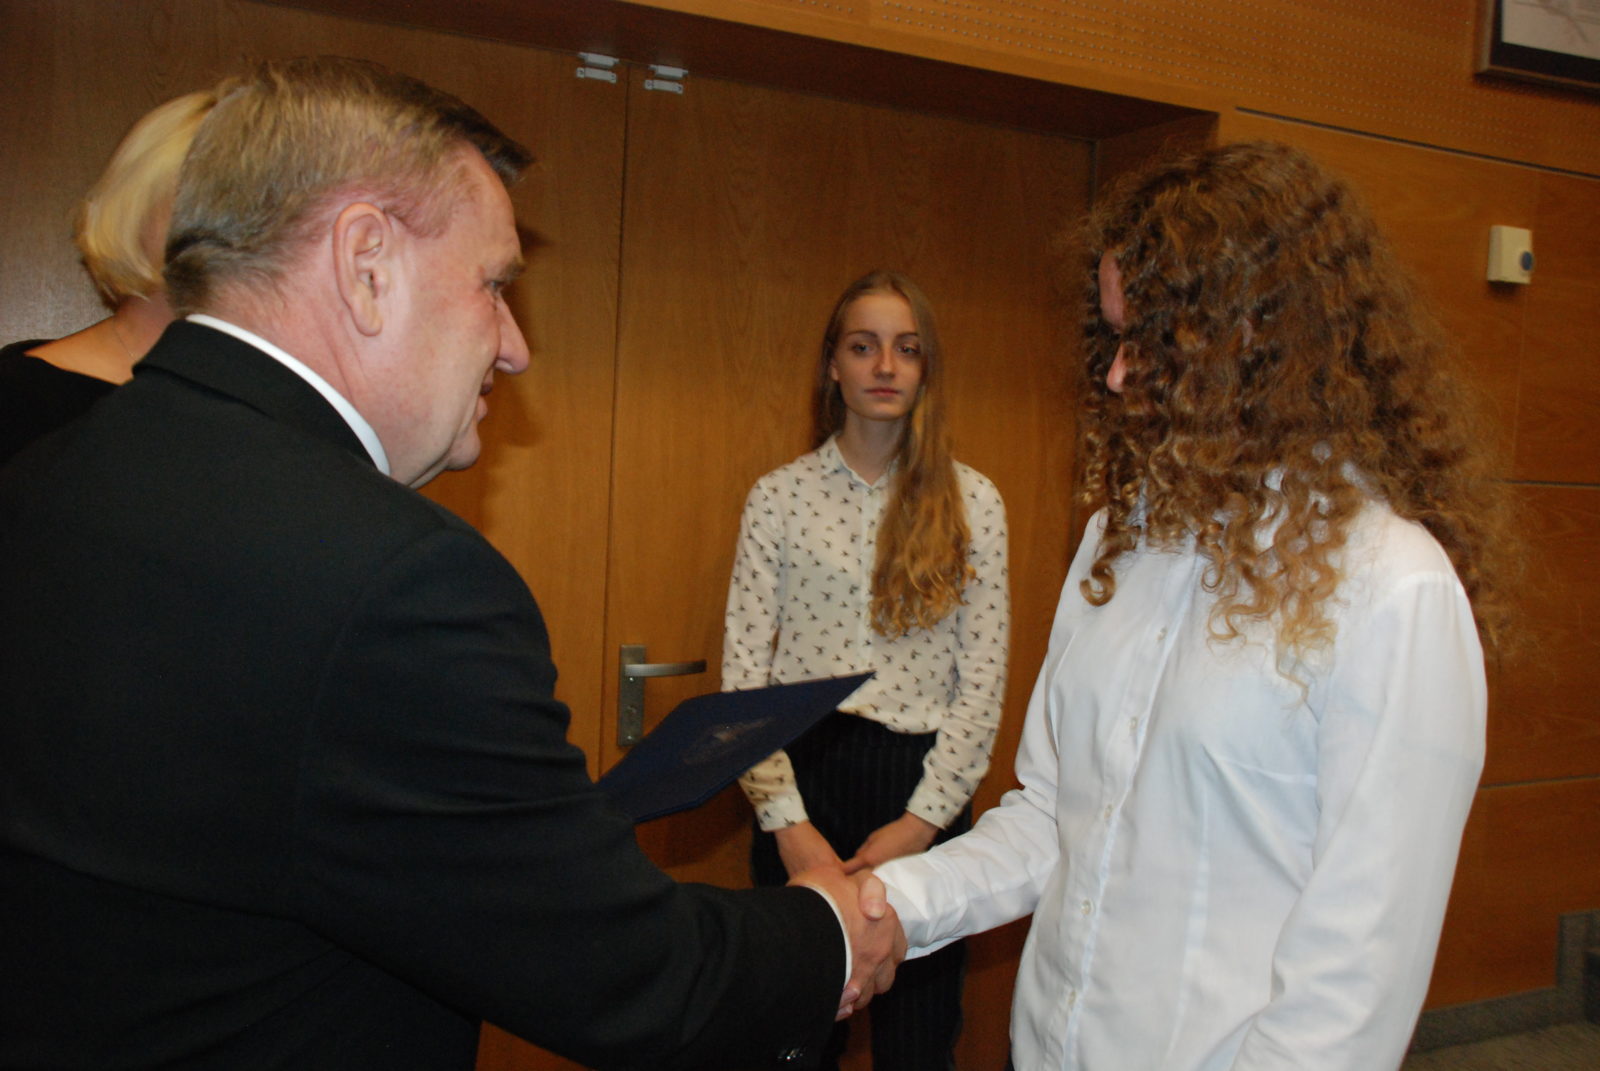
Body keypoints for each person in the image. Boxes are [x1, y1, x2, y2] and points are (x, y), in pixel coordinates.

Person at [0, 56, 903, 1071]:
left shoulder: (42, 474)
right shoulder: (399, 581)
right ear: (366, 264)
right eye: (495, 285)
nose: (515, 347)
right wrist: (828, 932)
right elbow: (627, 975)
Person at [873, 142, 1512, 1070]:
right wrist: (893, 906)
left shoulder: (1393, 588)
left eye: (1151, 343)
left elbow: (1354, 985)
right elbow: (1054, 816)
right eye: (1113, 339)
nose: (1117, 376)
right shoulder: (1118, 542)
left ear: (1261, 340)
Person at [724, 270, 1009, 1070]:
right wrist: (790, 830)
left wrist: (920, 825)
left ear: (925, 369)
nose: (885, 365)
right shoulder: (778, 499)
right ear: (833, 365)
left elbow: (981, 683)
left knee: (918, 1044)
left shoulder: (975, 502)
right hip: (801, 787)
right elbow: (745, 682)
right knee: (794, 1041)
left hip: (921, 790)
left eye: (907, 348)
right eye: (863, 346)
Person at [0, 84, 226, 464]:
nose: (233, 232)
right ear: (135, 208)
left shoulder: (295, 401)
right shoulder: (21, 397)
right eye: (205, 201)